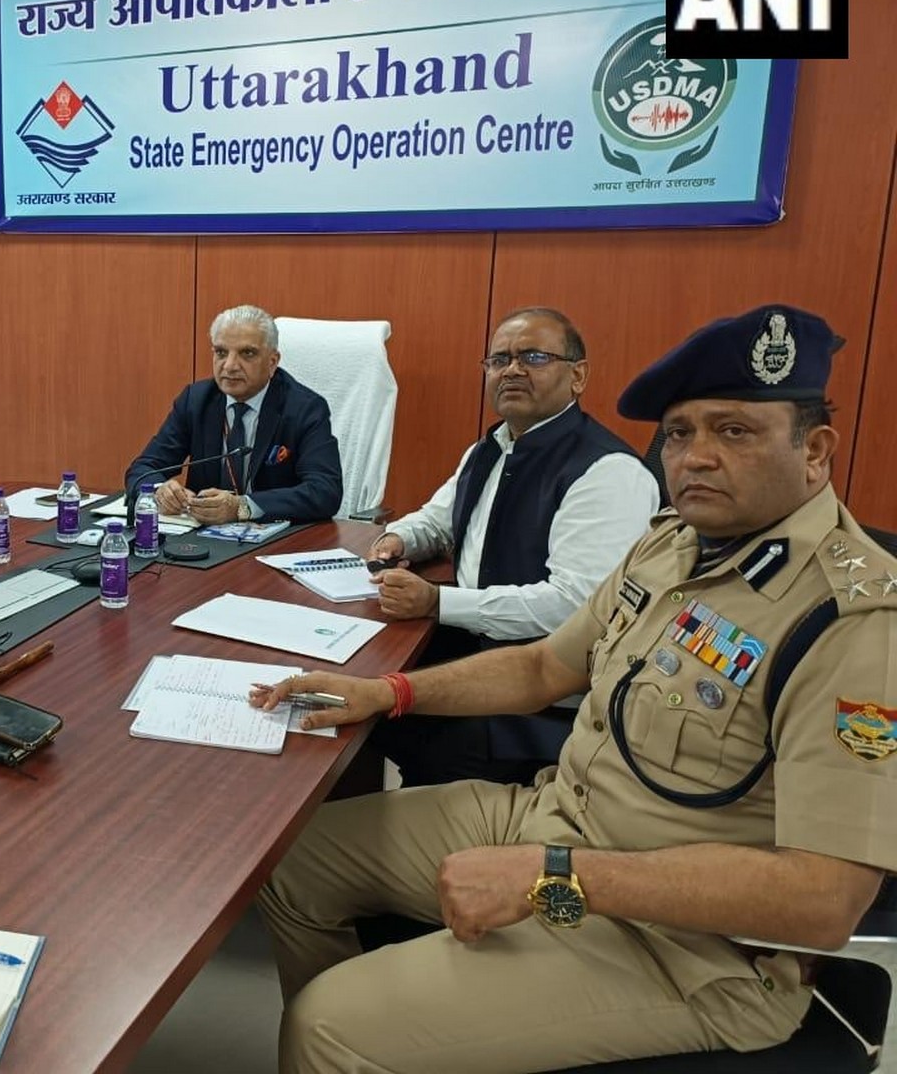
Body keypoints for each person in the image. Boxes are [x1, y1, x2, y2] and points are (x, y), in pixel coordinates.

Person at [250, 304, 896, 1074]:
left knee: (327, 1027)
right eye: (679, 433)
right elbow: (541, 668)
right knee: (289, 864)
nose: (695, 457)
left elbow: (824, 901)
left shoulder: (855, 621)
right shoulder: (673, 546)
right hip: (558, 820)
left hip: (683, 946)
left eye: (734, 431)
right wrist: (385, 693)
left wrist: (556, 874)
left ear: (815, 451)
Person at [366, 307, 661, 785]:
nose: (513, 370)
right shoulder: (490, 448)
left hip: (544, 700)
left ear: (578, 376)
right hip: (473, 651)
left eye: (534, 357)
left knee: (380, 719)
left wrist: (437, 601)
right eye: (500, 359)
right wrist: (397, 538)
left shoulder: (607, 472)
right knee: (357, 699)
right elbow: (439, 520)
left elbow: (573, 608)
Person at [124, 305, 342, 525]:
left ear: (272, 362)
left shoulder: (304, 409)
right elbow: (143, 469)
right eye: (221, 352)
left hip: (275, 535)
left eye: (247, 353)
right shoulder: (196, 401)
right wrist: (159, 491)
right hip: (200, 538)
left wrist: (242, 506)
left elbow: (325, 491)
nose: (229, 366)